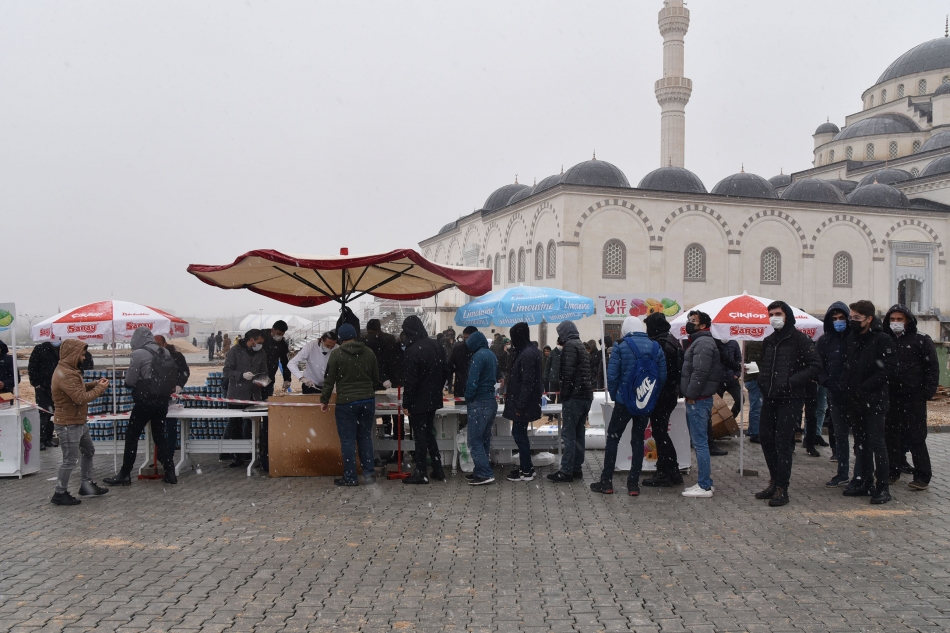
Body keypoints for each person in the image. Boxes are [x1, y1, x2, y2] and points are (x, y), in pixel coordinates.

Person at [754, 301, 822, 507]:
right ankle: (774, 481)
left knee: (783, 443)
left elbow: (815, 365)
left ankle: (782, 488)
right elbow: (764, 365)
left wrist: (791, 382)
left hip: (791, 399)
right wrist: (763, 382)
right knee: (766, 439)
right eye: (771, 314)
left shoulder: (800, 340)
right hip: (770, 397)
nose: (774, 317)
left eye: (778, 313)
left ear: (787, 316)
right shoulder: (769, 341)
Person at [591, 316, 667, 496]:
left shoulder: (621, 346)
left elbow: (612, 376)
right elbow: (662, 377)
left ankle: (607, 481)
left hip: (624, 402)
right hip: (644, 401)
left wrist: (618, 395)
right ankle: (633, 484)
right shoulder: (656, 347)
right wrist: (648, 395)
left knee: (613, 438)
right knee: (638, 440)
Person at [104, 327, 180, 487]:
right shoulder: (164, 352)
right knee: (160, 436)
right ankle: (170, 472)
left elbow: (130, 381)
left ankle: (125, 474)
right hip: (162, 401)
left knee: (132, 436)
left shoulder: (138, 354)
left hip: (145, 401)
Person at [839, 300, 897, 504]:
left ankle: (883, 487)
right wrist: (845, 388)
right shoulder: (852, 339)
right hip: (855, 402)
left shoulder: (882, 340)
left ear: (869, 319)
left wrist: (865, 386)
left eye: (857, 318)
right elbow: (848, 367)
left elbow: (888, 369)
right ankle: (865, 481)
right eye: (851, 317)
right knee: (861, 445)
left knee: (877, 444)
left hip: (874, 401)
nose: (852, 321)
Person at [883, 304, 939, 491]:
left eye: (900, 319)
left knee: (916, 437)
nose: (896, 323)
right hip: (891, 396)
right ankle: (892, 470)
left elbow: (931, 368)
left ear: (907, 321)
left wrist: (927, 392)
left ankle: (922, 476)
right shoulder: (885, 340)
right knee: (891, 436)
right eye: (893, 319)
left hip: (914, 397)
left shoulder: (921, 340)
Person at [48, 339, 110, 505]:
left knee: (88, 450)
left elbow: (78, 389)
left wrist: (94, 384)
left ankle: (87, 484)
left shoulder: (69, 371)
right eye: (82, 354)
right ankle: (59, 493)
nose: (83, 358)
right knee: (70, 460)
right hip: (68, 424)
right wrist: (100, 389)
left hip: (77, 422)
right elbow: (80, 398)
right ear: (73, 354)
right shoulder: (66, 374)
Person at [320, 324, 379, 486]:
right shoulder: (369, 352)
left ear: (340, 339)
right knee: (365, 437)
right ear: (356, 336)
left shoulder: (337, 354)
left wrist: (324, 400)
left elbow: (329, 380)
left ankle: (351, 477)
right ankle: (369, 475)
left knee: (347, 441)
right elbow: (375, 378)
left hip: (346, 402)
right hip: (367, 401)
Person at [400, 315, 447, 484]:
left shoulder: (412, 350)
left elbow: (410, 381)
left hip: (418, 400)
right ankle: (437, 468)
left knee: (420, 436)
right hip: (433, 397)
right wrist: (437, 388)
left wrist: (406, 403)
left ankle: (421, 472)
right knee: (428, 434)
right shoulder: (437, 345)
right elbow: (445, 371)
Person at [679, 310, 720, 498]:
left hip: (698, 400)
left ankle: (703, 485)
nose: (689, 323)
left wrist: (691, 394)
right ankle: (706, 483)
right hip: (699, 398)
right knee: (700, 442)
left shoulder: (703, 343)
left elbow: (699, 372)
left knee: (700, 443)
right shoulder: (699, 341)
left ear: (703, 325)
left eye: (693, 321)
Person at [642, 312, 684, 487]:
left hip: (662, 395)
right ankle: (673, 471)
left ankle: (664, 472)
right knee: (661, 433)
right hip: (670, 393)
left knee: (660, 433)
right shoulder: (672, 340)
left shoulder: (661, 344)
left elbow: (661, 374)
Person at [547, 321, 593, 483]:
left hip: (574, 397)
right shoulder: (580, 345)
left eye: (560, 333)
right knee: (579, 433)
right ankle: (576, 468)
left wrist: (564, 395)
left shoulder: (570, 347)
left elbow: (568, 374)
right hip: (586, 396)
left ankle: (566, 470)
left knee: (569, 434)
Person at [816, 302, 853, 487]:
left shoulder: (854, 338)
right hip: (835, 393)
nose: (839, 322)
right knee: (840, 435)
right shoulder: (825, 341)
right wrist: (827, 381)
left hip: (855, 395)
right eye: (835, 319)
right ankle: (843, 472)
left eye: (842, 318)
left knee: (862, 438)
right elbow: (818, 365)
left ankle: (862, 473)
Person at [219, 329, 267, 469]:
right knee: (235, 427)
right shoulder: (234, 351)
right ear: (251, 339)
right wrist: (241, 375)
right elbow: (226, 371)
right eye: (259, 342)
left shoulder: (261, 353)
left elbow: (265, 372)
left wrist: (262, 382)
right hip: (237, 395)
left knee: (254, 427)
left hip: (254, 396)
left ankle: (253, 455)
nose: (260, 345)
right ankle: (238, 456)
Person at [504, 322, 543, 483]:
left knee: (519, 434)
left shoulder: (526, 354)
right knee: (520, 434)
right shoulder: (529, 351)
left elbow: (527, 382)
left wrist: (520, 405)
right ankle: (527, 467)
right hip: (527, 401)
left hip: (523, 403)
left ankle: (526, 470)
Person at [464, 330, 499, 485]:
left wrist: (468, 398)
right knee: (484, 439)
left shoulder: (477, 356)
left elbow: (472, 381)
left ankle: (485, 473)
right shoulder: (491, 354)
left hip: (479, 401)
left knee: (474, 440)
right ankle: (480, 470)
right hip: (491, 400)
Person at [364, 319, 402, 436]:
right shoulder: (390, 339)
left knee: (380, 410)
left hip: (372, 379)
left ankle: (383, 434)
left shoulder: (364, 340)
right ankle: (396, 439)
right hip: (393, 379)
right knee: (396, 411)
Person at [28, 338, 61, 450]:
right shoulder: (40, 349)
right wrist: (36, 384)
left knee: (53, 413)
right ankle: (41, 440)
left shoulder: (62, 349)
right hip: (43, 387)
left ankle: (48, 438)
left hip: (57, 387)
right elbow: (32, 367)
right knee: (44, 413)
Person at [262, 320, 292, 398]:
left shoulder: (282, 344)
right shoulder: (261, 337)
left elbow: (285, 362)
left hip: (270, 377)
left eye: (282, 334)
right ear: (272, 330)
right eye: (278, 333)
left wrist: (287, 379)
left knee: (267, 403)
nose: (280, 336)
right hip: (256, 376)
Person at [446, 326, 478, 399]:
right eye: (465, 338)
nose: (467, 340)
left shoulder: (480, 351)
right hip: (461, 386)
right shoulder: (458, 350)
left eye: (468, 338)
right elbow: (450, 367)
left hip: (477, 388)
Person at [743, 341, 764, 443]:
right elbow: (755, 363)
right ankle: (755, 433)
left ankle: (752, 430)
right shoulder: (756, 342)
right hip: (756, 378)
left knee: (755, 405)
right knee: (757, 406)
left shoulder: (751, 341)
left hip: (753, 378)